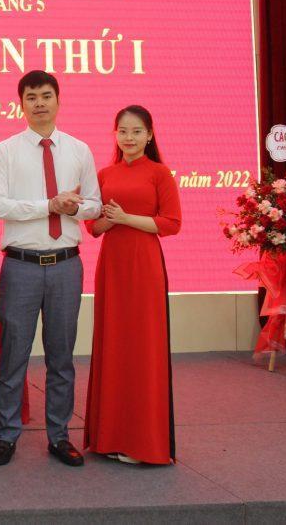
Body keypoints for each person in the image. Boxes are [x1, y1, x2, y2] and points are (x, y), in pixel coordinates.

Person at [0, 70, 101, 468]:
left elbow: (94, 204)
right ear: (21, 104)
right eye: (31, 97)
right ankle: (6, 435)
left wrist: (73, 207)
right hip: (21, 266)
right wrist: (47, 206)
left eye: (46, 95)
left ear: (58, 100)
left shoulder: (79, 150)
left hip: (67, 265)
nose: (39, 103)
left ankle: (59, 436)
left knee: (61, 357)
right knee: (13, 355)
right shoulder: (5, 150)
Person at [83, 105, 181, 465]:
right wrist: (111, 221)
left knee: (143, 347)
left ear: (150, 135)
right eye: (123, 131)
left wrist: (126, 218)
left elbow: (171, 223)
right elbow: (93, 227)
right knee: (113, 343)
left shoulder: (159, 173)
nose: (129, 138)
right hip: (112, 265)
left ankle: (144, 442)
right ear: (115, 134)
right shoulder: (104, 173)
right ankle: (110, 437)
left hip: (144, 265)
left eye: (137, 131)